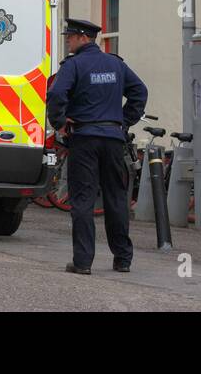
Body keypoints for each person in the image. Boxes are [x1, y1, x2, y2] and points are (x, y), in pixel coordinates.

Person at [47, 17, 147, 275]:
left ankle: (83, 262)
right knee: (115, 198)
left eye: (70, 36)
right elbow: (140, 91)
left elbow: (57, 95)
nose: (67, 40)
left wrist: (59, 122)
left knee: (83, 200)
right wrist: (124, 121)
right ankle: (123, 259)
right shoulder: (115, 64)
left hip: (84, 138)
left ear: (83, 37)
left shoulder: (74, 65)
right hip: (113, 140)